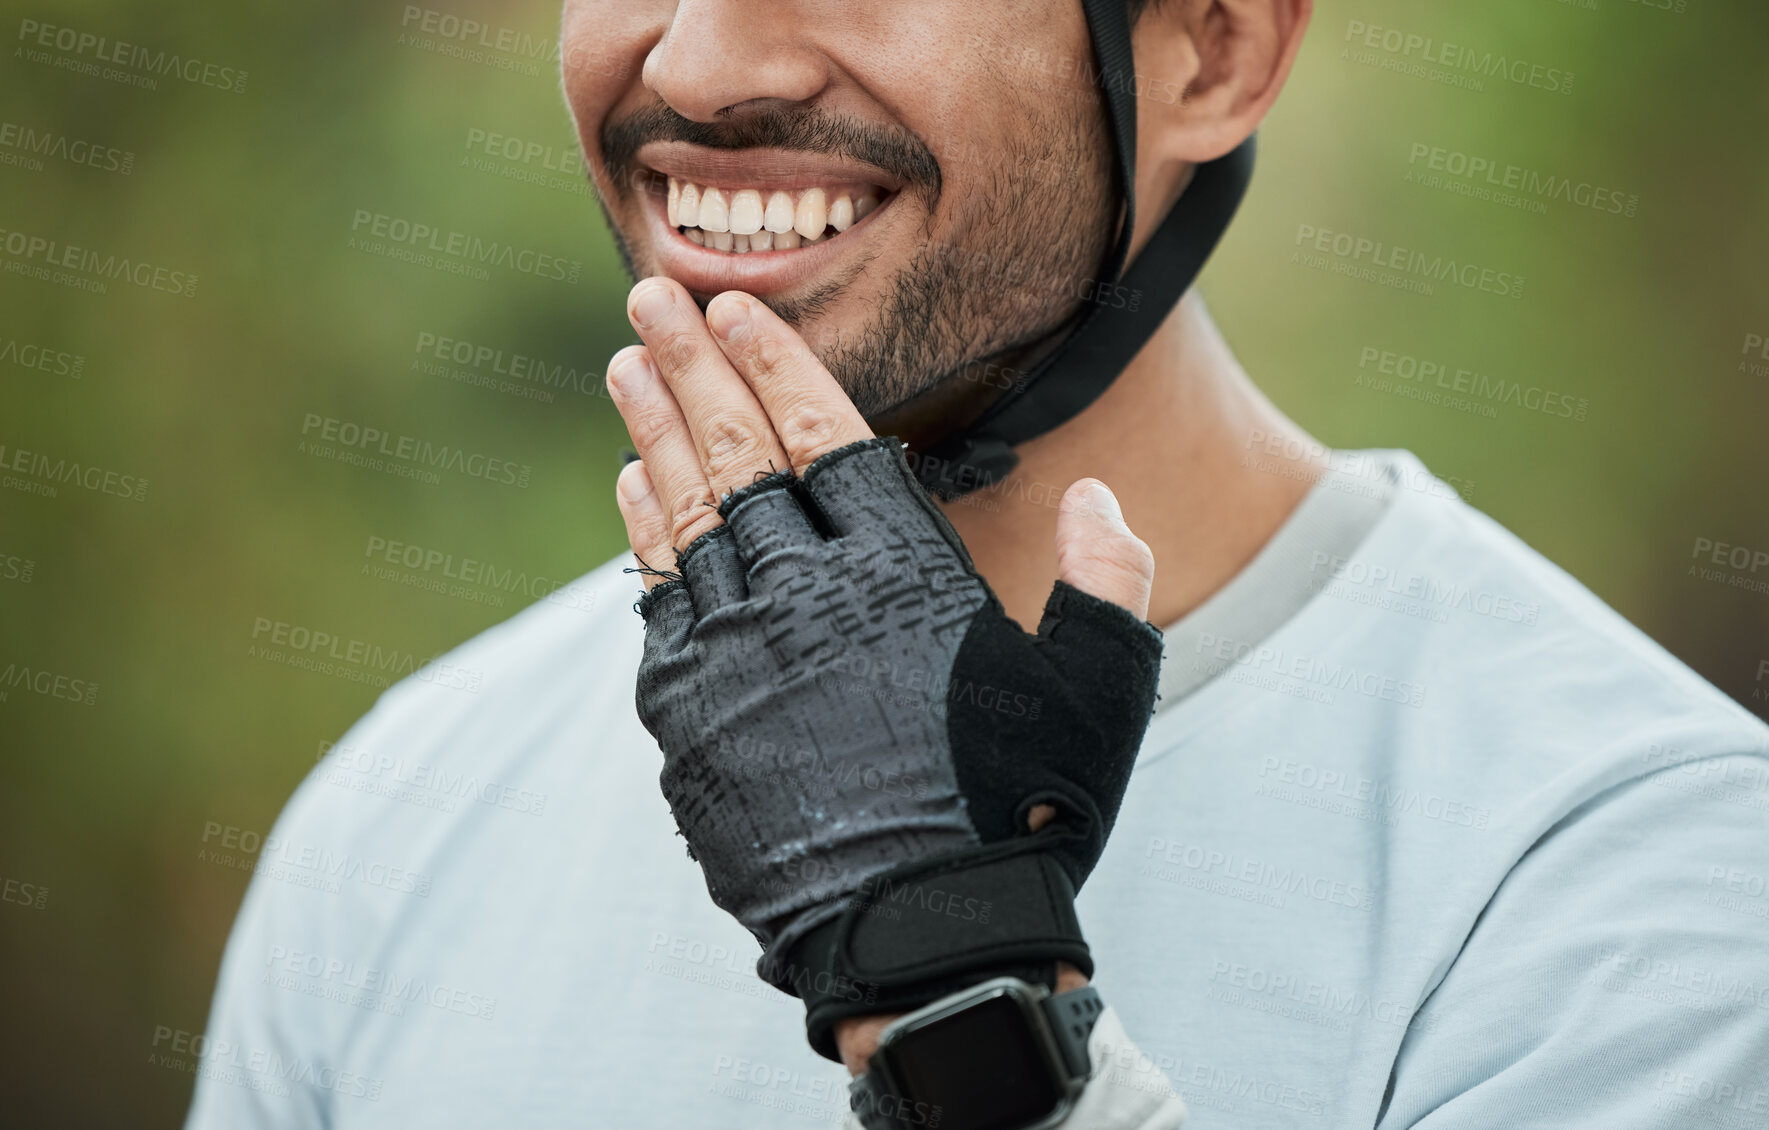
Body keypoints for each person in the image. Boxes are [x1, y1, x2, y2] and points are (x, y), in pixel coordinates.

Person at [189, 1, 1769, 1127]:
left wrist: (954, 1001)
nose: (699, 58)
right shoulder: (402, 813)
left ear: (1213, 49)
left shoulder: (1635, 878)